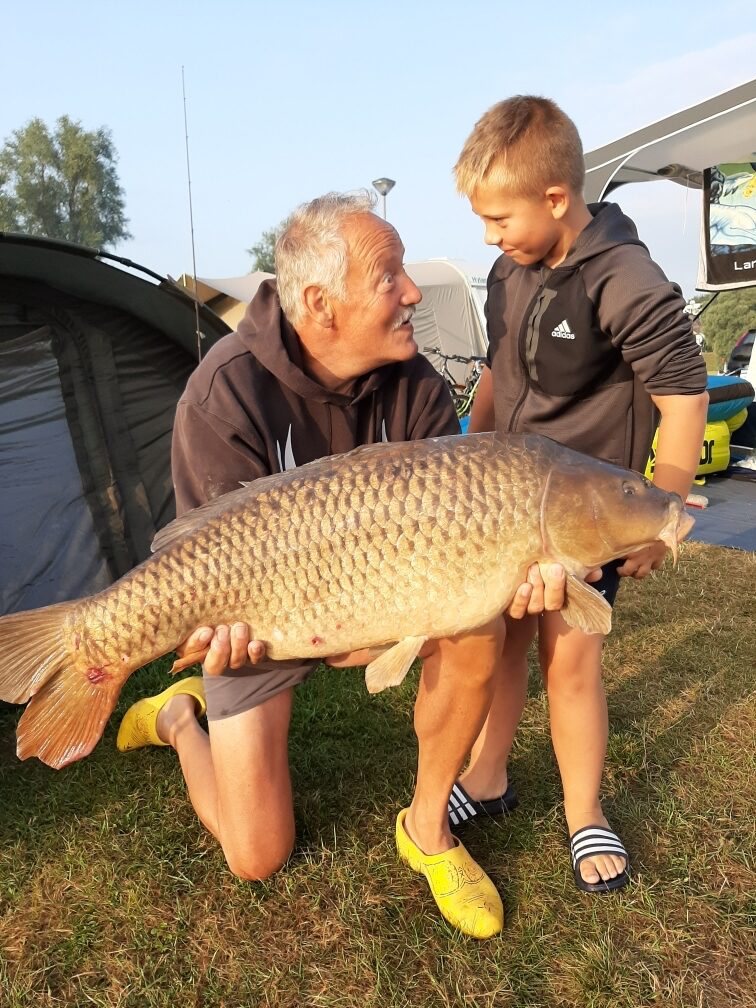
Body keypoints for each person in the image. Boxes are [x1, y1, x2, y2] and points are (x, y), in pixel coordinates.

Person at [116, 190, 562, 938]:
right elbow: (210, 560)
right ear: (321, 304)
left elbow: (454, 532)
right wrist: (225, 635)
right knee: (255, 855)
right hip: (265, 621)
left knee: (476, 624)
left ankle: (429, 828)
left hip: (383, 597)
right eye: (390, 277)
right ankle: (177, 718)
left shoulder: (415, 381)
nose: (413, 291)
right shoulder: (222, 395)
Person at [452, 97, 709, 892]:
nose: (489, 237)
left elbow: (684, 391)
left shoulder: (624, 276)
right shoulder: (505, 272)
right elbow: (498, 372)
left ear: (556, 199)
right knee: (500, 648)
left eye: (499, 218)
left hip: (580, 516)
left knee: (570, 662)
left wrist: (660, 514)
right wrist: (464, 450)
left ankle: (584, 810)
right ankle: (489, 776)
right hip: (503, 509)